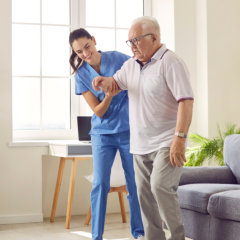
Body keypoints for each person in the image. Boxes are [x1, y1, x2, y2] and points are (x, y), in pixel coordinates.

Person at [92, 16, 194, 240]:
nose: (132, 46)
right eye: (129, 42)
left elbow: (186, 101)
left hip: (167, 142)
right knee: (144, 196)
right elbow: (115, 84)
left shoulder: (171, 62)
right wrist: (103, 80)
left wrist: (180, 139)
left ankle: (177, 237)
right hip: (140, 145)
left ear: (154, 38)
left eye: (136, 40)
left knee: (160, 187)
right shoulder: (130, 66)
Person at [69, 28, 144, 240]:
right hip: (102, 134)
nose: (85, 53)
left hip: (129, 131)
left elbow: (138, 79)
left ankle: (138, 233)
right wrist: (109, 95)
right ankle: (96, 236)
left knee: (134, 183)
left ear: (93, 41)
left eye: (87, 46)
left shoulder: (119, 59)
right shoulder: (81, 75)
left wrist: (114, 83)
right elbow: (98, 111)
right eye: (79, 52)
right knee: (100, 184)